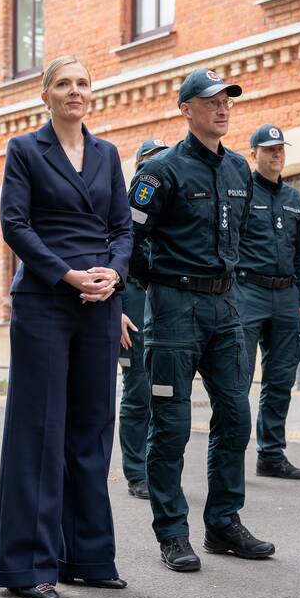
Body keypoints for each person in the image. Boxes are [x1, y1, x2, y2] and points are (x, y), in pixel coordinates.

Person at [0, 55, 132, 598]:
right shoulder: (26, 150)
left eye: (82, 83)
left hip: (99, 301)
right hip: (45, 301)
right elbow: (15, 224)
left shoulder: (108, 153)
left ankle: (89, 556)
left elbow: (123, 227)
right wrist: (65, 273)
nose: (74, 91)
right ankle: (28, 565)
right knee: (39, 432)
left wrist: (114, 274)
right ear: (45, 94)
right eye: (63, 84)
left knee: (93, 430)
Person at [128, 68, 275, 573]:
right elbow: (131, 240)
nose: (223, 108)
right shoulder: (161, 171)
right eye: (211, 100)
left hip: (225, 307)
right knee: (170, 426)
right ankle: (172, 533)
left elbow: (242, 238)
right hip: (174, 309)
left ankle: (223, 523)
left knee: (235, 416)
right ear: (186, 109)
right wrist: (160, 285)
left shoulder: (238, 170)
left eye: (227, 100)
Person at [236, 125, 300, 480]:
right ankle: (232, 454)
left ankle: (271, 454)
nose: (276, 155)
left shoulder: (294, 198)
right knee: (239, 376)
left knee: (281, 378)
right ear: (254, 155)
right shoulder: (241, 191)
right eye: (269, 150)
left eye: (280, 149)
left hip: (285, 295)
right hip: (248, 291)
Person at [119, 138, 168, 500]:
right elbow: (115, 260)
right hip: (133, 299)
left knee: (163, 391)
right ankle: (136, 472)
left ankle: (157, 469)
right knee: (137, 388)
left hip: (165, 301)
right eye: (151, 160)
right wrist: (118, 310)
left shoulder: (172, 208)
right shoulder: (124, 211)